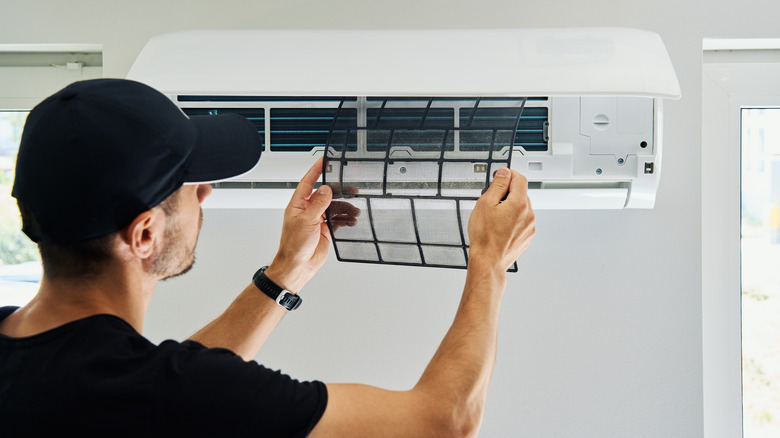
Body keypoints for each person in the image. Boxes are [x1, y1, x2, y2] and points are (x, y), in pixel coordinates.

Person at [0, 78, 536, 437]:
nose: (205, 192)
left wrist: (287, 273)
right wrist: (488, 261)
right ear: (144, 235)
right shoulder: (163, 391)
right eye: (190, 184)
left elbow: (153, 390)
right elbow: (442, 422)